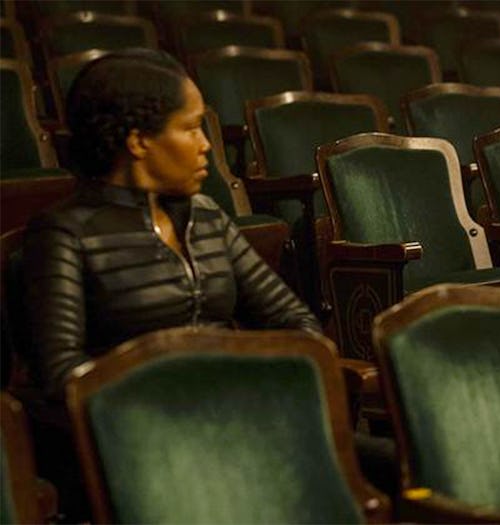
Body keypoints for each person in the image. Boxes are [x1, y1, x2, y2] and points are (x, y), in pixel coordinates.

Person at [18, 49, 320, 521]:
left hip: (243, 422)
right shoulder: (64, 234)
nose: (206, 146)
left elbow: (296, 323)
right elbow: (62, 375)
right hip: (143, 450)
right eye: (191, 127)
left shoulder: (207, 216)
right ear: (139, 141)